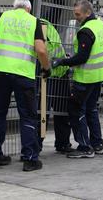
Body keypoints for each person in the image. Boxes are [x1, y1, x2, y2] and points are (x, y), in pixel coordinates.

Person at [0, 0, 50, 172]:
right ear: (28, 8)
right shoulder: (33, 21)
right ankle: (30, 159)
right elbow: (41, 50)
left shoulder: (2, 16)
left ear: (15, 7)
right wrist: (46, 67)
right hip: (22, 73)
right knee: (27, 115)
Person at [51, 0, 103, 158]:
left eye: (78, 14)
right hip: (99, 74)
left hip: (86, 77)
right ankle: (98, 144)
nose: (76, 17)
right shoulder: (101, 25)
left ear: (87, 13)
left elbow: (82, 58)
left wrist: (62, 61)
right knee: (91, 109)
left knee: (76, 110)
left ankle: (85, 147)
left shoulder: (86, 31)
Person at [38, 18, 72, 154]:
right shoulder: (36, 26)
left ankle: (63, 143)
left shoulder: (45, 23)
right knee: (41, 113)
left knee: (63, 111)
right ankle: (36, 145)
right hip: (46, 75)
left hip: (60, 73)